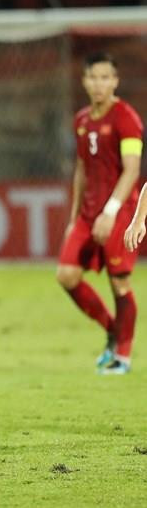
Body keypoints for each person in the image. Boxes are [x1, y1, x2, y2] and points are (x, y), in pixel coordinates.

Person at [56, 53, 143, 375]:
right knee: (66, 275)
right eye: (93, 78)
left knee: (119, 282)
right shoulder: (81, 120)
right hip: (89, 214)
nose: (99, 84)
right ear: (84, 81)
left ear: (115, 81)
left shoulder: (126, 118)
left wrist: (110, 212)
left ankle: (122, 355)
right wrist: (73, 218)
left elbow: (132, 170)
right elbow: (81, 169)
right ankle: (111, 328)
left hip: (119, 212)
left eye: (106, 78)